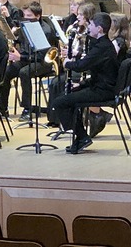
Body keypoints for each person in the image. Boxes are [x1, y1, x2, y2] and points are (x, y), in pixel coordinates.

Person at [51, 12, 119, 154]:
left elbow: (81, 66)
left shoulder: (102, 47)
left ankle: (81, 137)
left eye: (92, 25)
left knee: (60, 103)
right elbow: (98, 73)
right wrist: (81, 85)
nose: (89, 28)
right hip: (101, 86)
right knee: (69, 97)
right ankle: (80, 136)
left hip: (103, 91)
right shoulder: (102, 44)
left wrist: (68, 63)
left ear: (99, 29)